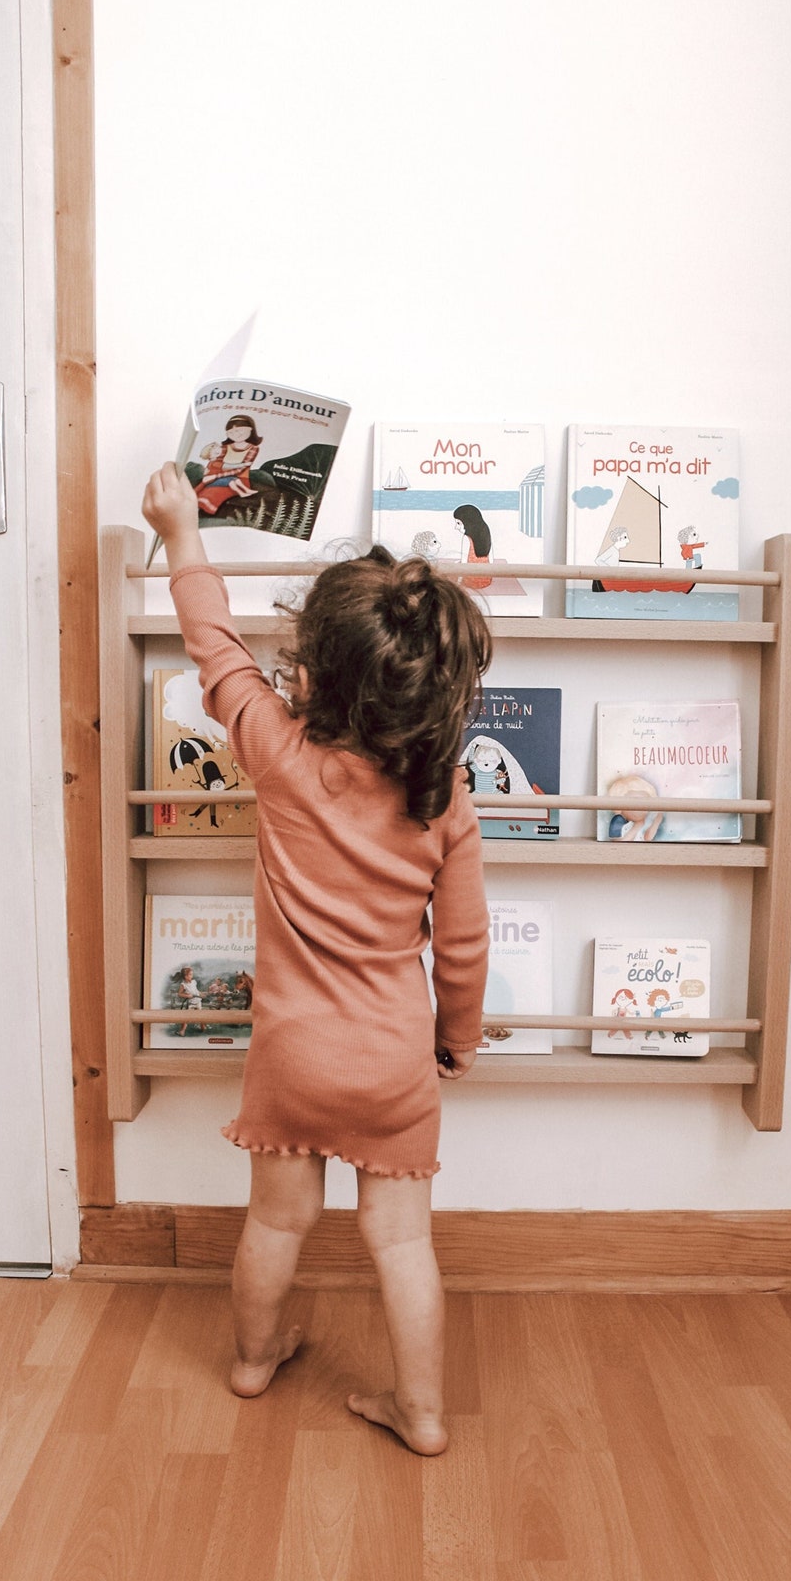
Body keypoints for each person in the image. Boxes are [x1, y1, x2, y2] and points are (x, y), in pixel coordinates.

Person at [141, 463, 493, 1457]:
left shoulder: (281, 757)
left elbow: (214, 650)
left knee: (277, 1224)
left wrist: (180, 533)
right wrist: (455, 1041)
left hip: (292, 1055)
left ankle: (253, 1361)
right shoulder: (444, 798)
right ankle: (420, 1415)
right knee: (403, 1242)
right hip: (391, 1063)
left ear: (313, 677)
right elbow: (462, 944)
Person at [193, 414, 262, 516]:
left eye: (239, 430)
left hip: (239, 480)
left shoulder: (253, 448)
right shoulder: (224, 447)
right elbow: (219, 464)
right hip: (218, 479)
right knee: (204, 492)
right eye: (231, 432)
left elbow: (240, 470)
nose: (236, 434)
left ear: (250, 429)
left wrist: (215, 476)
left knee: (214, 493)